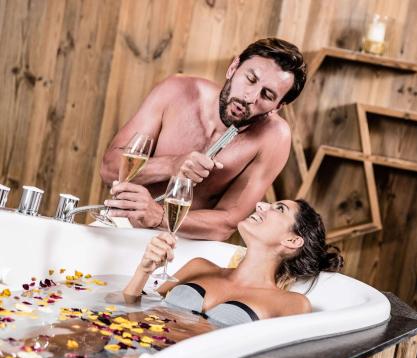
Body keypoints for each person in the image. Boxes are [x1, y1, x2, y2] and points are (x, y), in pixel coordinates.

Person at [101, 38, 307, 241]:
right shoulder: (176, 90)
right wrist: (171, 165)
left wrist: (158, 216)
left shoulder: (275, 138)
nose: (249, 97)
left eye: (267, 95)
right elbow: (109, 169)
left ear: (278, 106)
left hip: (186, 245)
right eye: (250, 79)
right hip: (121, 225)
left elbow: (226, 223)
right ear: (233, 67)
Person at [123, 199, 344, 326]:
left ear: (292, 240)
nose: (260, 205)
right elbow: (133, 308)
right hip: (136, 350)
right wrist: (143, 270)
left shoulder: (292, 304)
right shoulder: (199, 267)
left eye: (279, 209)